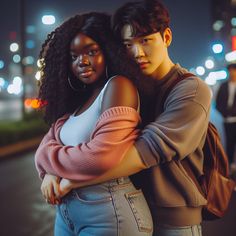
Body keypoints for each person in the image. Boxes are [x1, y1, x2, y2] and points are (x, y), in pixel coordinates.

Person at [53, 1, 212, 236]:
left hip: (174, 222)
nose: (137, 53)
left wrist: (73, 180)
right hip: (132, 207)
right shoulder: (128, 85)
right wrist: (51, 171)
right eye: (128, 44)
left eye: (145, 40)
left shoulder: (191, 90)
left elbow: (143, 152)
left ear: (166, 37)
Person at [35, 12, 153, 236]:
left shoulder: (118, 87)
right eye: (73, 57)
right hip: (67, 214)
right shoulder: (79, 100)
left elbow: (99, 158)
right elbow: (43, 147)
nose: (83, 61)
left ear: (108, 51)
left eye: (92, 51)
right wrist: (51, 172)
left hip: (109, 213)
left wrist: (51, 164)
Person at [216, 63, 236, 166]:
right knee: (229, 142)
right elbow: (218, 101)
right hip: (227, 120)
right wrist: (224, 113)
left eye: (234, 71)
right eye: (230, 71)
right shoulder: (223, 86)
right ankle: (230, 164)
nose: (232, 73)